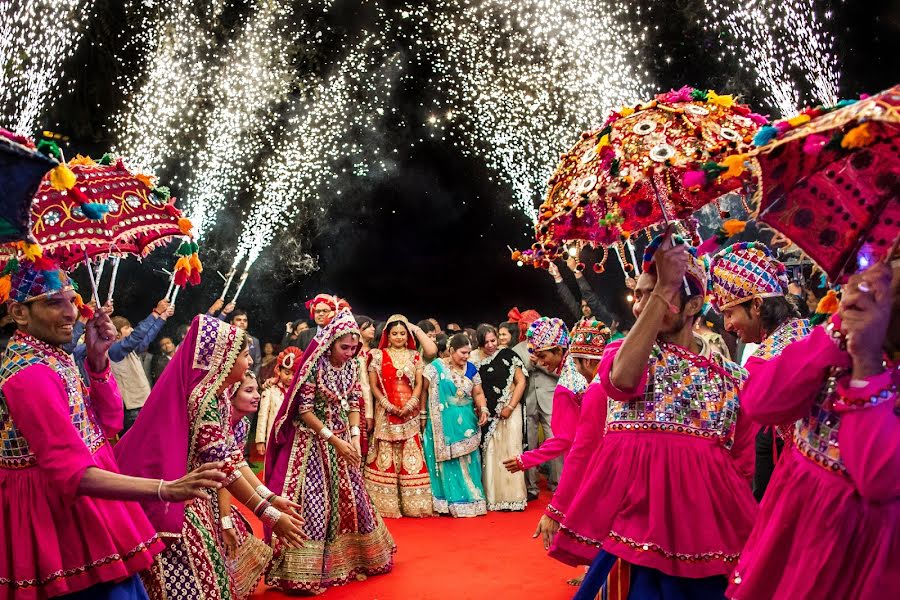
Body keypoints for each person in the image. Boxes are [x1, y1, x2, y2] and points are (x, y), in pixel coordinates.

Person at [0, 255, 224, 600]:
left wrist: (98, 360)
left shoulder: (50, 355)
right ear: (19, 313)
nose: (70, 313)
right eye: (53, 303)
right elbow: (72, 474)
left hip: (88, 497)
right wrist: (165, 488)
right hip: (58, 514)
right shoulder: (29, 375)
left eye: (71, 301)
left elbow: (107, 423)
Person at [570, 229, 757, 599]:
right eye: (640, 295)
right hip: (634, 534)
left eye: (658, 294)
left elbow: (742, 465)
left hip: (706, 539)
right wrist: (663, 289)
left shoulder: (733, 378)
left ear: (693, 306)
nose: (640, 306)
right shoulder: (626, 356)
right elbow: (621, 381)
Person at [726, 258, 899, 600]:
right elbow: (762, 403)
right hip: (793, 534)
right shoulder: (837, 345)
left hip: (857, 560)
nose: (875, 282)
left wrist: (867, 365)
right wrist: (837, 328)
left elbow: (878, 477)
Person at [115, 315, 305, 600]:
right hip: (178, 505)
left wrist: (269, 497)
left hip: (198, 499)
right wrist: (269, 514)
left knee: (212, 579)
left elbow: (233, 457)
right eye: (243, 355)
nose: (250, 361)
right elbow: (224, 466)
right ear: (223, 358)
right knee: (195, 584)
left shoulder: (218, 397)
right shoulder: (202, 399)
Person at [264, 309, 395, 594]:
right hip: (311, 440)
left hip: (342, 437)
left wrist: (356, 436)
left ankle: (351, 561)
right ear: (330, 343)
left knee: (350, 496)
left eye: (353, 347)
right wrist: (335, 440)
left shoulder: (351, 365)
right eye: (344, 347)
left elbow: (354, 402)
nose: (349, 352)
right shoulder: (316, 366)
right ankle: (305, 569)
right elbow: (305, 410)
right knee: (313, 502)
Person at [709, 241, 811, 501]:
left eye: (730, 313)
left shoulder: (766, 361)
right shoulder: (802, 332)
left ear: (756, 305)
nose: (728, 325)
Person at [530, 322, 612, 565]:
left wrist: (556, 509)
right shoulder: (608, 382)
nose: (574, 368)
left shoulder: (594, 389)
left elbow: (580, 446)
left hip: (600, 463)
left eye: (576, 362)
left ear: (586, 361)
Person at [504, 318, 604, 483]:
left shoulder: (567, 384)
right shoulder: (576, 370)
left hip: (586, 457)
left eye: (543, 356)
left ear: (558, 350)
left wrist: (526, 459)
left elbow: (564, 439)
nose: (541, 362)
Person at [364, 315, 433, 518]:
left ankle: (414, 507)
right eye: (394, 333)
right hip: (385, 414)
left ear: (408, 335)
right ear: (387, 335)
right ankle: (386, 506)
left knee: (410, 456)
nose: (399, 337)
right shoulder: (377, 355)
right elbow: (373, 386)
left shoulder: (415, 356)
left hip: (409, 414)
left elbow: (420, 384)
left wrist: (412, 404)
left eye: (403, 333)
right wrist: (387, 405)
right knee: (385, 456)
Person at [421, 333, 490, 517]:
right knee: (447, 463)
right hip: (441, 423)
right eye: (462, 352)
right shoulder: (436, 368)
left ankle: (472, 500)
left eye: (468, 352)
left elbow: (478, 393)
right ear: (451, 351)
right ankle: (448, 502)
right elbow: (423, 392)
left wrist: (483, 409)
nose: (466, 356)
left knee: (469, 461)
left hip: (466, 422)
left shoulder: (472, 369)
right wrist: (422, 414)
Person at [219, 372, 272, 600]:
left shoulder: (241, 424)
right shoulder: (219, 423)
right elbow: (222, 474)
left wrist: (269, 498)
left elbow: (237, 466)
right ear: (230, 395)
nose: (257, 396)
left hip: (219, 486)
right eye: (249, 391)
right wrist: (225, 519)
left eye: (257, 390)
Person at [471, 324, 528, 511]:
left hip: (510, 412)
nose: (490, 345)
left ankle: (514, 498)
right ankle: (494, 499)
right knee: (491, 453)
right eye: (485, 342)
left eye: (493, 340)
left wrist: (510, 406)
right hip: (488, 414)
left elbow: (521, 382)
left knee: (511, 450)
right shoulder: (473, 360)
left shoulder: (509, 356)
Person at [508, 307, 559, 499]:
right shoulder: (517, 350)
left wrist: (539, 363)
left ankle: (558, 483)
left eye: (534, 327)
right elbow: (515, 378)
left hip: (550, 399)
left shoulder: (552, 348)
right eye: (527, 328)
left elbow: (559, 373)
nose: (530, 332)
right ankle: (531, 486)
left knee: (554, 440)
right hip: (527, 400)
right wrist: (529, 364)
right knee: (528, 443)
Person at [106, 302, 174, 434]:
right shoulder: (114, 350)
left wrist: (163, 317)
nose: (131, 330)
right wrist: (156, 313)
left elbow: (147, 337)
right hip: (132, 412)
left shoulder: (129, 349)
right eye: (127, 328)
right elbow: (137, 335)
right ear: (117, 334)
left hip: (143, 405)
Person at [254, 347, 303, 457]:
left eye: (294, 374)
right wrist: (260, 440)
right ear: (278, 371)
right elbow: (263, 416)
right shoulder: (270, 390)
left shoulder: (301, 392)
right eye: (287, 373)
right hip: (274, 437)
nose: (290, 377)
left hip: (294, 436)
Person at [355, 315, 376, 458]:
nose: (372, 329)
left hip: (376, 399)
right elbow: (364, 385)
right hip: (359, 401)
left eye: (373, 326)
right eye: (367, 326)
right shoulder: (356, 352)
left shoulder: (376, 350)